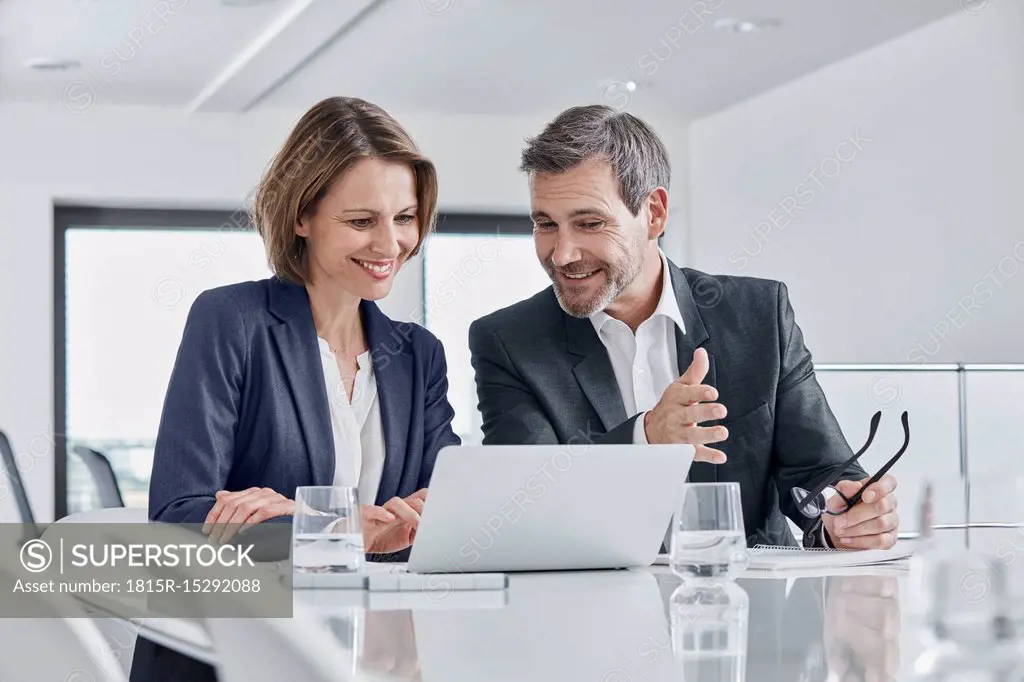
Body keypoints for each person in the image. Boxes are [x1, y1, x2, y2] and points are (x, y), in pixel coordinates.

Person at [468, 104, 899, 550]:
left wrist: (842, 515)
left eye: (589, 223)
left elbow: (820, 472)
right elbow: (524, 504)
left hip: (750, 607)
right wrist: (646, 437)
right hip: (593, 609)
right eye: (545, 225)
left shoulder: (759, 314)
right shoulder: (508, 341)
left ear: (653, 213)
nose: (562, 254)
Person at [133, 96, 460, 682]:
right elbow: (179, 521)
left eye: (405, 218)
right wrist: (337, 527)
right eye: (362, 221)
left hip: (375, 656)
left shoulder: (418, 354)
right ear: (301, 217)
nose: (390, 245)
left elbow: (447, 516)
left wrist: (307, 517)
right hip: (239, 656)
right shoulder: (232, 320)